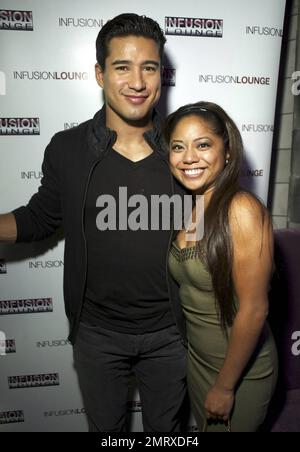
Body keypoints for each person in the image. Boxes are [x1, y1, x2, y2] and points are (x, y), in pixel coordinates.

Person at [0, 14, 188, 432]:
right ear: (100, 74)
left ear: (161, 74)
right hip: (98, 334)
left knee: (169, 436)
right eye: (122, 67)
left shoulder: (185, 149)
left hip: (172, 332)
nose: (137, 82)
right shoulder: (68, 148)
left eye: (149, 67)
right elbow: (39, 218)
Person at [164, 101, 278, 432]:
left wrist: (225, 386)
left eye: (203, 145)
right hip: (199, 362)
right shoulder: (191, 209)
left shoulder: (241, 209)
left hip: (239, 372)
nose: (188, 157)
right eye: (178, 147)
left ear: (226, 152)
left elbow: (255, 309)